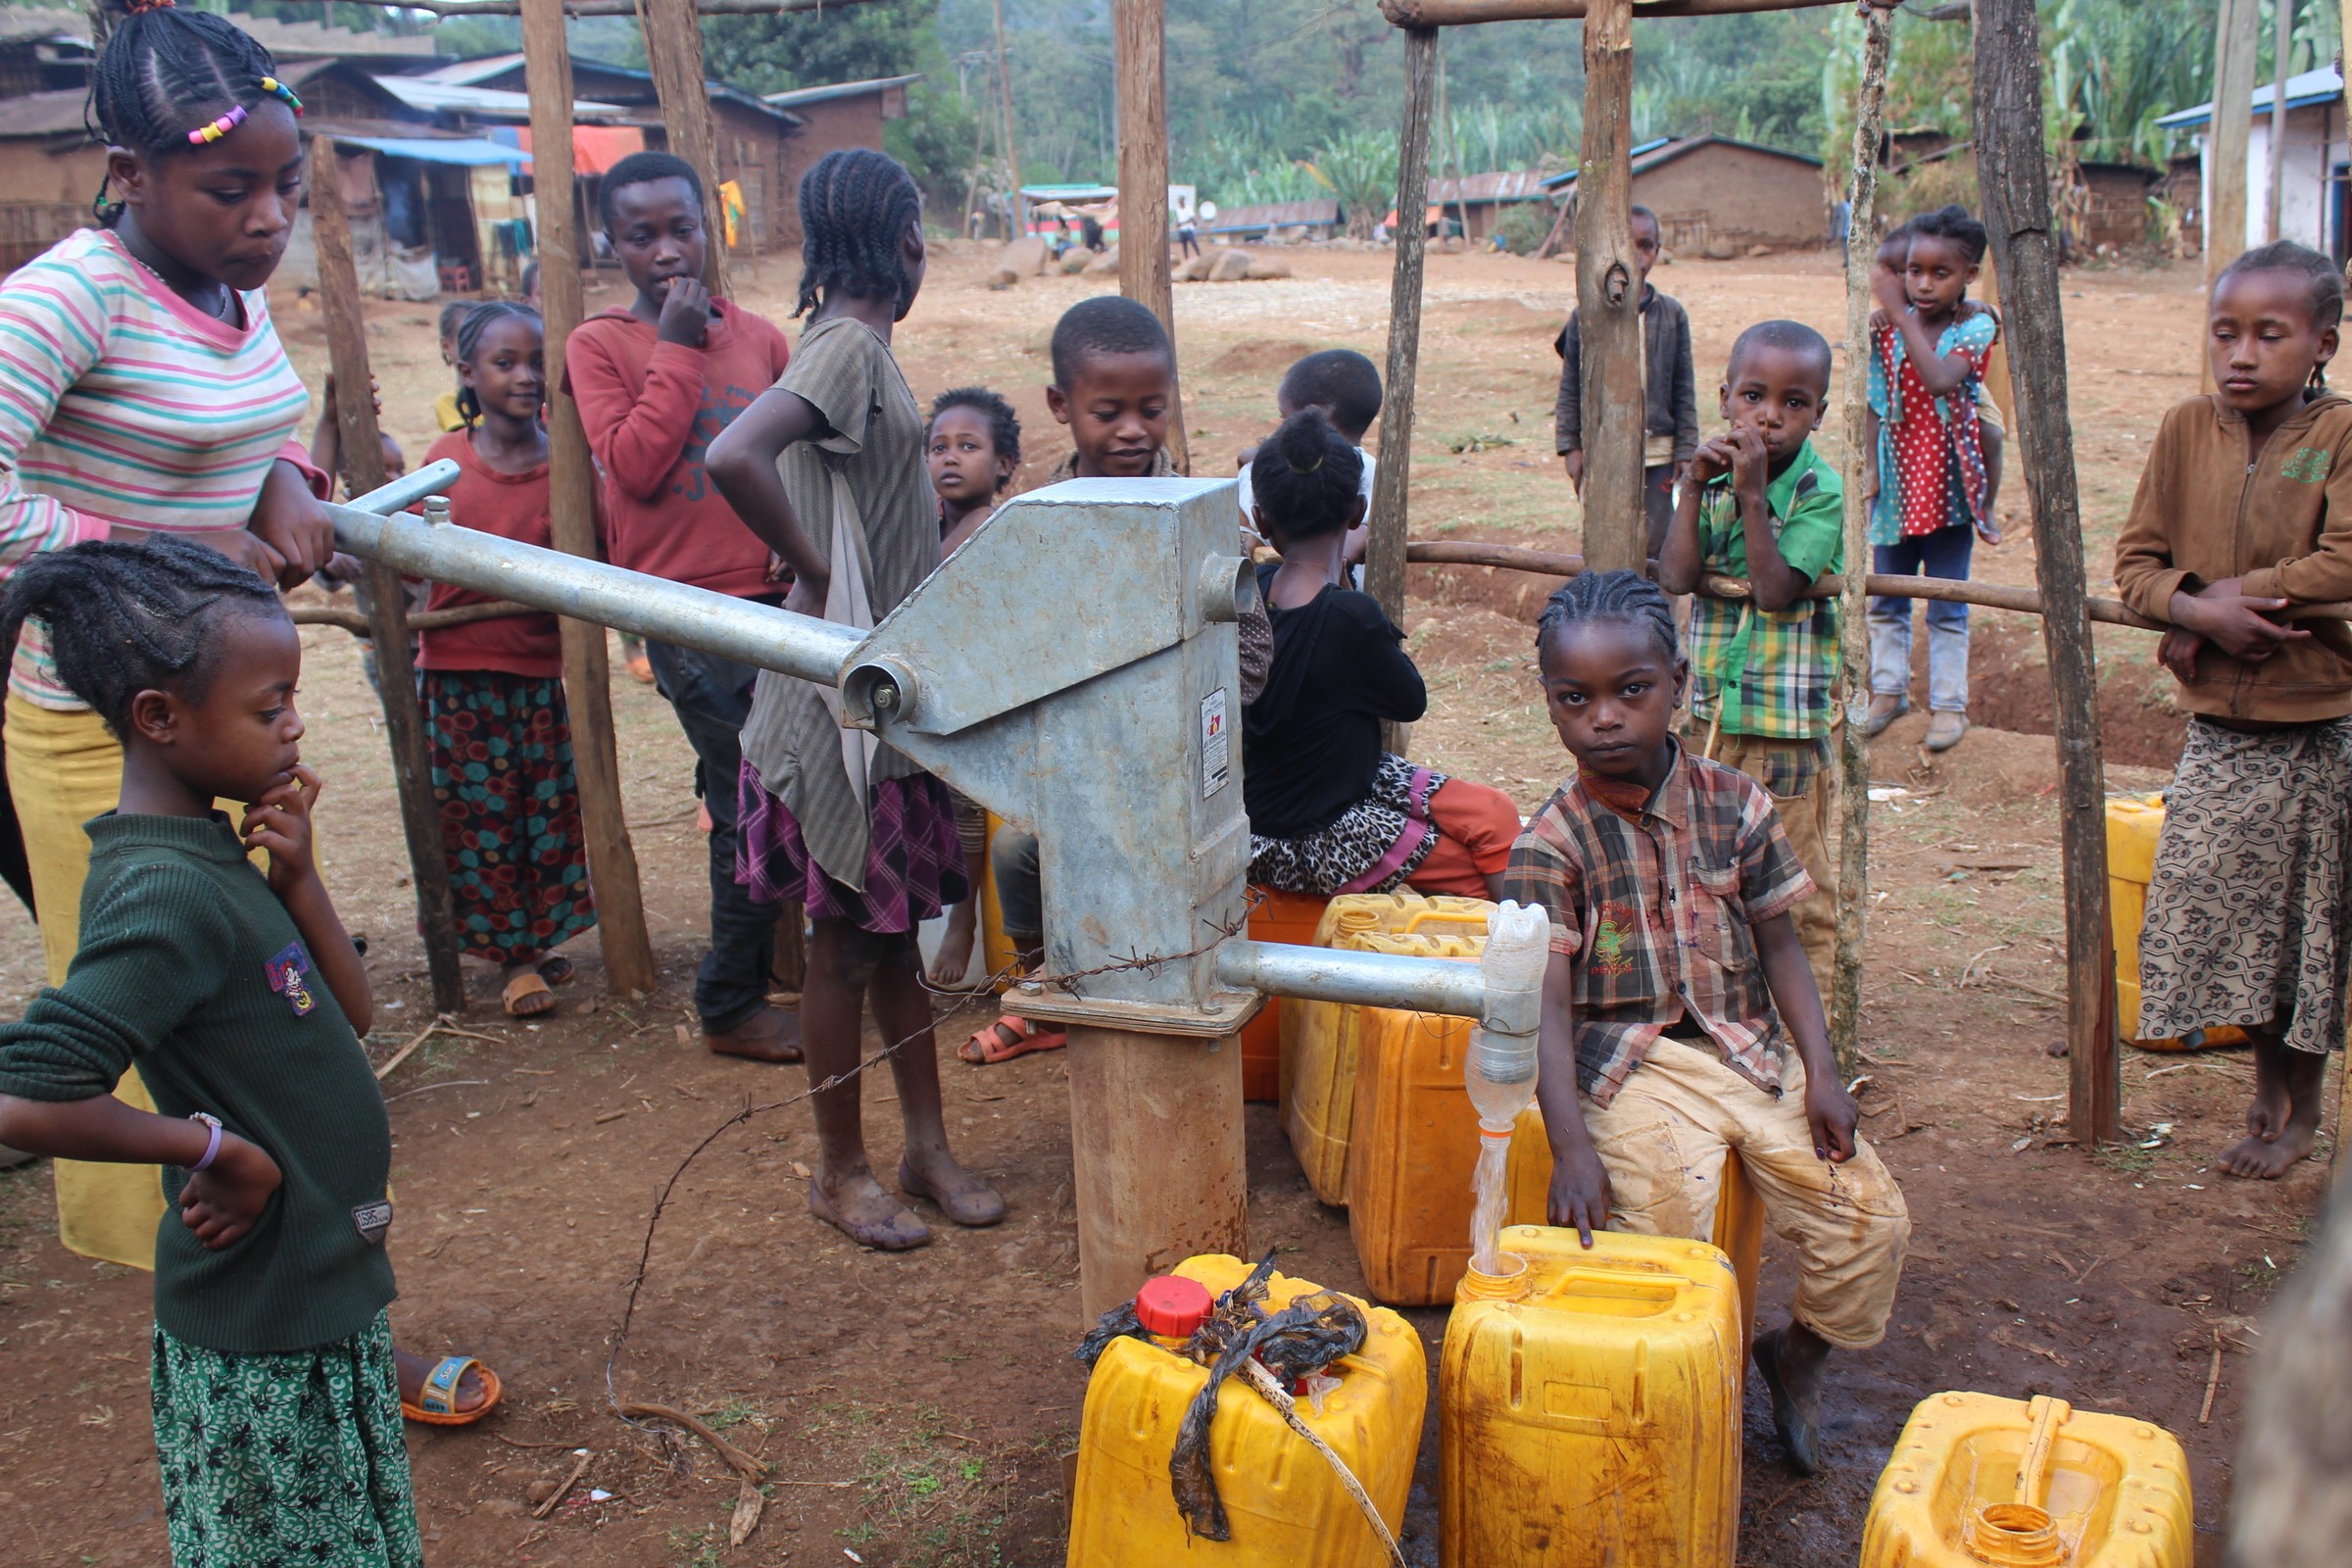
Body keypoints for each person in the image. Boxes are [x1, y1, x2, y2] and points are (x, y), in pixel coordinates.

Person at [0, 537, 419, 1566]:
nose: (295, 725)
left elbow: (347, 1016)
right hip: (264, 1328)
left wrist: (302, 883)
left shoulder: (214, 851)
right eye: (269, 706)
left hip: (317, 1294)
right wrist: (215, 1150)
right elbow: (27, 1092)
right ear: (159, 717)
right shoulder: (164, 892)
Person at [0, 0, 339, 1267]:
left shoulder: (227, 287)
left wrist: (288, 477)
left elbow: (241, 422)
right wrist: (164, 545)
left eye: (285, 186)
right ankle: (215, 1294)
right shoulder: (69, 298)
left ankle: (298, 1279)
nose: (267, 218)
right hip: (106, 730)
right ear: (131, 175)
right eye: (230, 189)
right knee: (157, 1019)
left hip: (216, 714)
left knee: (256, 1003)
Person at [1507, 569, 1909, 1477]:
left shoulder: (1738, 803)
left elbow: (1782, 948)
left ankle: (1794, 1359)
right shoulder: (1549, 844)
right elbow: (1546, 1009)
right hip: (1628, 1068)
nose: (1604, 718)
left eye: (1631, 691)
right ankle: (1667, 1410)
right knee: (1663, 1234)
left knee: (1870, 1223)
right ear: (1550, 702)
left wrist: (1824, 1073)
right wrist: (1570, 1146)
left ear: (1678, 685)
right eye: (1575, 699)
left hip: (1748, 1051)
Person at [708, 148, 1003, 1250]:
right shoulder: (845, 349)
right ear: (909, 243)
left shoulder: (856, 350)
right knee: (841, 944)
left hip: (875, 704)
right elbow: (734, 455)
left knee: (890, 944)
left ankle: (926, 1150)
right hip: (832, 708)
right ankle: (840, 1171)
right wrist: (818, 573)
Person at [2114, 239, 2352, 1182]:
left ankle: (2300, 1111)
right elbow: (2135, 563)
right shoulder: (2185, 429)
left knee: (2305, 935)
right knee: (2215, 912)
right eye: (2225, 333)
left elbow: (2345, 560)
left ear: (2323, 342)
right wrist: (2191, 609)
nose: (2241, 354)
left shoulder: (2340, 435)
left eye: (2269, 334)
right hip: (2222, 731)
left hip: (2320, 726)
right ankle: (2267, 1079)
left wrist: (2233, 595)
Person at [567, 149, 801, 1062]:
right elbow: (633, 464)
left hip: (776, 604)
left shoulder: (762, 339)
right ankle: (729, 1001)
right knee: (748, 796)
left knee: (760, 785)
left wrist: (793, 530)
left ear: (710, 229)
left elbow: (795, 457)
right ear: (610, 244)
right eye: (641, 236)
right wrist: (674, 344)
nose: (666, 250)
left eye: (681, 229)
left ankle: (765, 975)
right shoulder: (601, 346)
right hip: (683, 615)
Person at [1244, 407, 1520, 900]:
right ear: (1357, 511)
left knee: (1492, 812)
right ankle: (1523, 931)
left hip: (1304, 801)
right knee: (1481, 875)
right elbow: (1410, 701)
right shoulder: (1351, 617)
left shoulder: (1253, 592)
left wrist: (1337, 571)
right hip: (1318, 837)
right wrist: (1343, 576)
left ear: (1262, 519)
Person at [1656, 319, 1844, 1005]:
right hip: (1711, 720)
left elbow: (1773, 590)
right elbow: (1676, 576)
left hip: (1783, 731)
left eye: (1794, 402)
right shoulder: (1708, 481)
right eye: (1753, 396)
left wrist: (1753, 494)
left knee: (1795, 889)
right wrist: (1691, 486)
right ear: (1725, 398)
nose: (1769, 417)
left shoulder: (1820, 490)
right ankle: (1728, 1013)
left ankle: (1813, 1038)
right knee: (1708, 872)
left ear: (1819, 413)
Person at [417, 302, 597, 1017]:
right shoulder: (444, 463)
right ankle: (512, 959)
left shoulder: (566, 464)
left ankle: (537, 936)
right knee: (480, 818)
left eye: (535, 362)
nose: (525, 376)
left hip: (537, 671)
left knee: (542, 810)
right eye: (504, 363)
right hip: (460, 674)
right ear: (468, 372)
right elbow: (409, 560)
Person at [1863, 204, 2001, 753]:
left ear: (1969, 274)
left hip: (1948, 484)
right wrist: (1871, 471)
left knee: (1948, 600)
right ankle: (1887, 691)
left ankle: (1948, 705)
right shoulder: (1885, 330)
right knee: (1886, 597)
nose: (1922, 284)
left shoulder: (1976, 325)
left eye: (1940, 273)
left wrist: (1899, 316)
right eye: (1913, 271)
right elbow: (1874, 400)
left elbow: (1942, 379)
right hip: (1896, 483)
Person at [922, 387, 1021, 993]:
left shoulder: (987, 523)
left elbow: (920, 582)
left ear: (1003, 464)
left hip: (985, 694)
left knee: (965, 801)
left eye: (967, 446)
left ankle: (963, 919)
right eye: (938, 448)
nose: (950, 458)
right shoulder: (932, 521)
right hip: (944, 684)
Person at [1554, 205, 1697, 562]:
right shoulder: (1585, 316)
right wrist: (1571, 447)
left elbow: (1684, 388)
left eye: (1645, 245)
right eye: (1625, 245)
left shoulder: (1672, 315)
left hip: (1659, 452)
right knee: (1603, 540)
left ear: (1657, 251)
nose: (1636, 256)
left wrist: (1685, 451)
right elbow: (1570, 386)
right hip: (1601, 450)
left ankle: (1653, 600)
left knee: (1657, 543)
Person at [1234, 347, 1383, 573]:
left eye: (1284, 417)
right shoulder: (1375, 474)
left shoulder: (1287, 474)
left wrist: (1250, 462)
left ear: (1312, 416)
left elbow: (1250, 508)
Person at [433, 297, 470, 434]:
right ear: (446, 346)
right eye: (467, 339)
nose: (478, 347)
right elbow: (467, 442)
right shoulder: (448, 403)